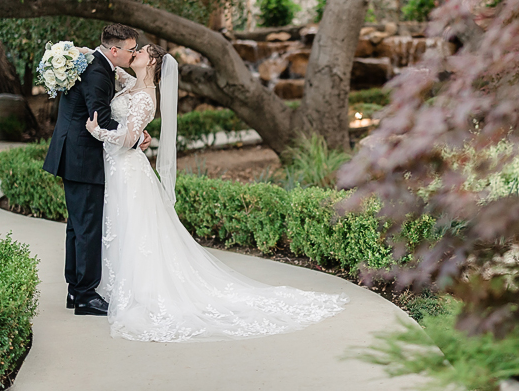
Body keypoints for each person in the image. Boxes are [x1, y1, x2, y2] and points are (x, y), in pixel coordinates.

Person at [85, 43, 348, 341]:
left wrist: (99, 132)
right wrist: (86, 52)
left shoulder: (146, 97)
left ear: (153, 62)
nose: (135, 53)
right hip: (119, 168)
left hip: (129, 169)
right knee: (123, 227)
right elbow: (111, 66)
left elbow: (130, 136)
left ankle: (141, 290)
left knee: (136, 229)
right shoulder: (132, 83)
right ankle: (117, 283)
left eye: (141, 51)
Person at [43, 23, 151, 316]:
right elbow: (100, 120)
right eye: (130, 50)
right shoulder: (98, 73)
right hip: (82, 157)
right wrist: (137, 137)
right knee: (87, 227)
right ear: (114, 50)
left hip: (72, 153)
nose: (132, 55)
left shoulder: (94, 62)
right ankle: (86, 296)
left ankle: (75, 290)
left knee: (77, 226)